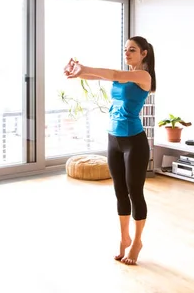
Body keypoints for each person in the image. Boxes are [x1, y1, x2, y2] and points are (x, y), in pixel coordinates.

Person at [63, 36, 156, 265]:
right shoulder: (124, 75)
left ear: (144, 53)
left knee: (135, 192)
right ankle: (124, 237)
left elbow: (114, 75)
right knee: (119, 191)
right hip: (113, 139)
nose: (127, 53)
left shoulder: (144, 76)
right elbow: (98, 76)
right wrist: (77, 72)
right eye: (125, 49)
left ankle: (137, 242)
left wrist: (84, 68)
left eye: (132, 49)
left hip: (134, 142)